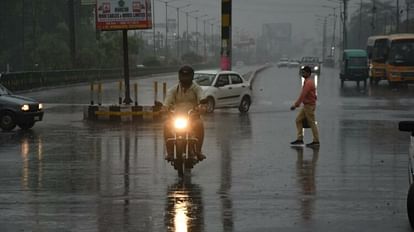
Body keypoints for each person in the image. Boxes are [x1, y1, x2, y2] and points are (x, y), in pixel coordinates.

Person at [163, 65, 206, 161]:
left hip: (192, 117)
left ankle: (198, 151)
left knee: (199, 124)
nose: (185, 78)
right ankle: (170, 152)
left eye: (187, 76)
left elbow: (201, 97)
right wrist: (164, 107)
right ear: (179, 77)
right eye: (183, 76)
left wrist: (202, 106)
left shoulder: (197, 88)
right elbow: (167, 101)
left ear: (192, 77)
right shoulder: (173, 90)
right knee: (166, 125)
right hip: (176, 118)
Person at [290, 66, 320, 147]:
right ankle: (300, 139)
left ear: (308, 73)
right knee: (298, 120)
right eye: (302, 72)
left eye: (304, 72)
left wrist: (296, 105)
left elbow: (303, 95)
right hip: (307, 105)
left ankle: (316, 141)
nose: (302, 74)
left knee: (312, 123)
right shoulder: (308, 82)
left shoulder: (308, 83)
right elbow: (313, 94)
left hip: (309, 106)